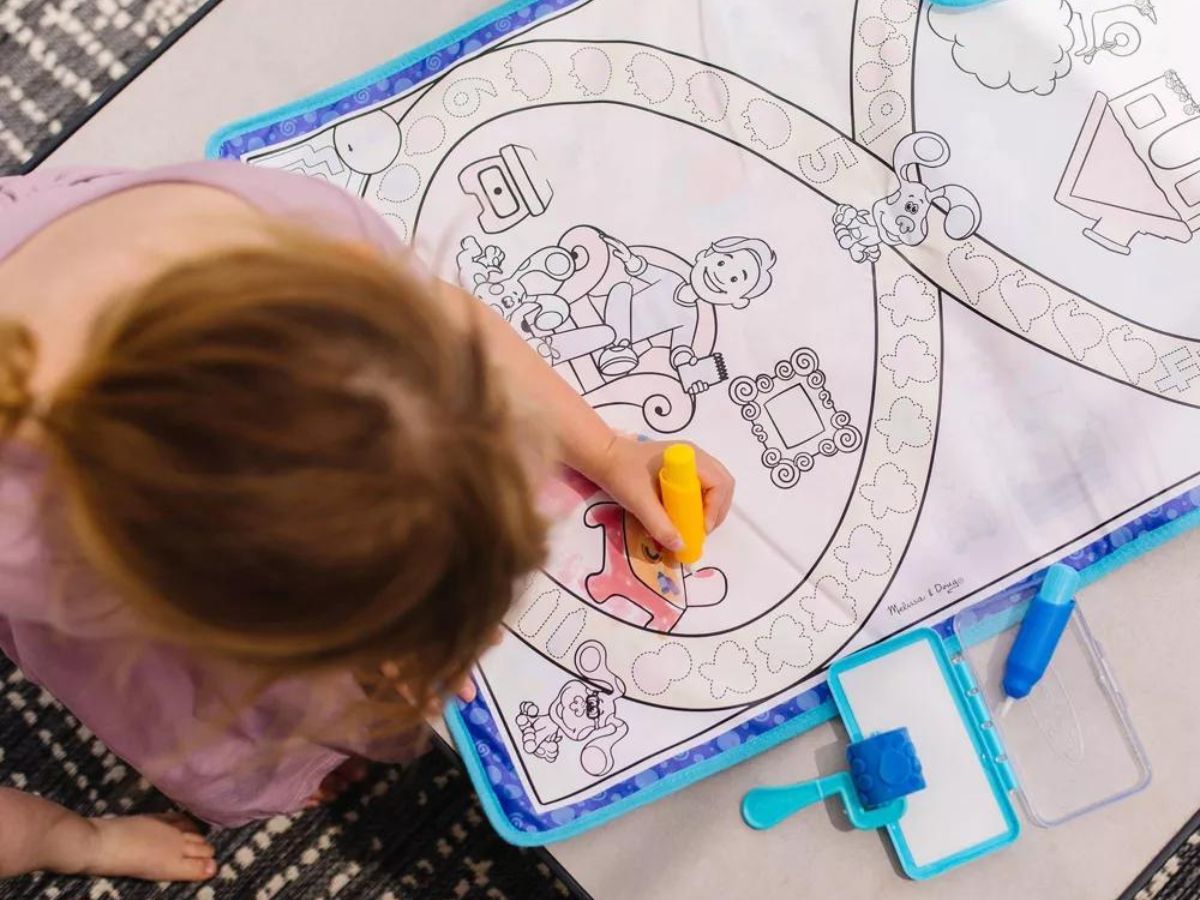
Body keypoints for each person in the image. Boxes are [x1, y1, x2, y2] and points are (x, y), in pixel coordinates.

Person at [0, 163, 735, 881]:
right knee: (224, 720)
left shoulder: (300, 224)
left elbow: (445, 320)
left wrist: (607, 449)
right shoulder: (39, 549)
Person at [594, 233, 777, 383]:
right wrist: (629, 258)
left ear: (738, 300)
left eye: (734, 280)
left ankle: (618, 348)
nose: (720, 276)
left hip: (629, 341)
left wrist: (687, 366)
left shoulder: (689, 316)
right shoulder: (672, 280)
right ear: (704, 255)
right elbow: (643, 270)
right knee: (622, 288)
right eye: (721, 263)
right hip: (615, 313)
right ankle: (618, 345)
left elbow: (681, 346)